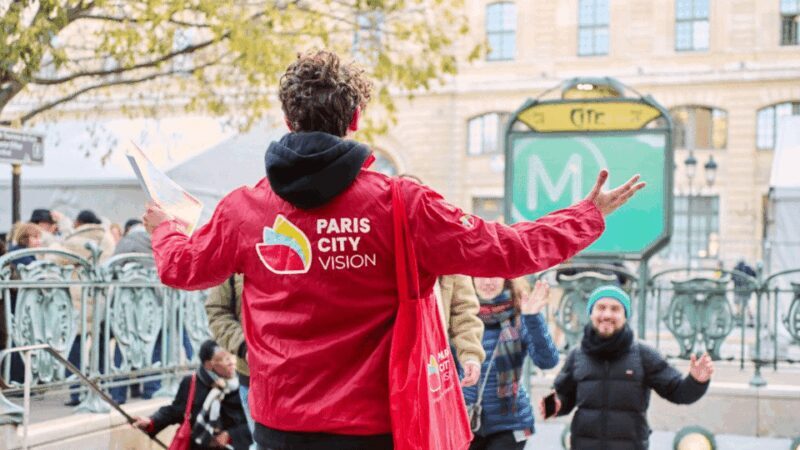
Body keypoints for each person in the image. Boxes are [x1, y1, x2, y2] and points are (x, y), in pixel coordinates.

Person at [142, 49, 644, 450]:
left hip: (280, 426)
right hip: (378, 427)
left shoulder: (243, 210)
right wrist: (587, 215)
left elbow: (181, 268)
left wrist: (167, 227)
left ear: (288, 119)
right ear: (356, 118)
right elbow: (508, 250)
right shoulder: (404, 205)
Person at [543, 285, 714, 450]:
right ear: (591, 313)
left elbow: (678, 391)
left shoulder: (644, 354)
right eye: (601, 308)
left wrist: (697, 381)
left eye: (615, 309)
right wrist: (551, 406)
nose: (607, 314)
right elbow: (561, 395)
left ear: (625, 316)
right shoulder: (577, 355)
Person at [464, 278, 558, 450]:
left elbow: (547, 361)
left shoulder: (520, 314)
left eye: (495, 274)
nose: (488, 282)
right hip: (465, 420)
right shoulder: (460, 317)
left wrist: (532, 318)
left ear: (506, 278)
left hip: (511, 424)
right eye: (482, 275)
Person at [132, 340, 252, 449]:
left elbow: (253, 422)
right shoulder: (192, 383)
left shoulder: (244, 384)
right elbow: (175, 411)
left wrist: (231, 435)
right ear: (209, 365)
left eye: (232, 357)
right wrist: (151, 421)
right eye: (225, 359)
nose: (231, 362)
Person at [204, 275, 255, 445]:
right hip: (253, 379)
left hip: (312, 380)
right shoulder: (234, 265)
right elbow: (217, 310)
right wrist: (244, 347)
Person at [733, 260, 757, 326]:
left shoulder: (736, 268)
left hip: (738, 289)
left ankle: (739, 319)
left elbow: (732, 278)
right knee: (746, 305)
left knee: (738, 304)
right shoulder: (748, 268)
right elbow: (755, 275)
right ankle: (750, 319)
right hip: (746, 289)